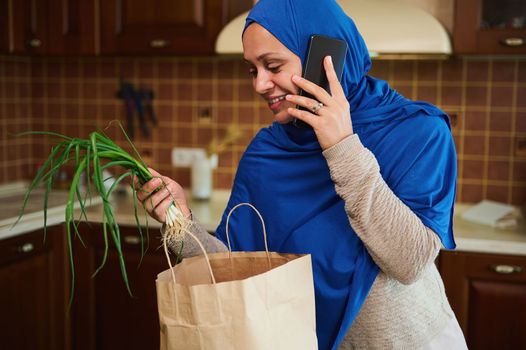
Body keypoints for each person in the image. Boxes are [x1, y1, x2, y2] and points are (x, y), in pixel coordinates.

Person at [136, 0, 468, 349]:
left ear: (326, 58)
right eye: (252, 69)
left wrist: (342, 146)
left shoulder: (419, 132)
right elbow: (237, 273)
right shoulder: (267, 152)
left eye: (272, 65)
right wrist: (179, 221)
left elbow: (408, 262)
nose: (260, 84)